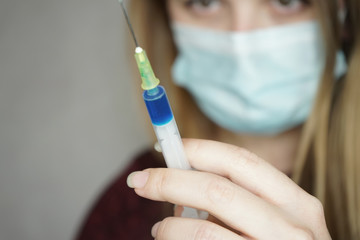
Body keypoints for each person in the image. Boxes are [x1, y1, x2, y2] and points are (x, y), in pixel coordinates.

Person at [76, 0, 360, 239]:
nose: (241, 38)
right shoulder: (125, 211)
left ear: (345, 16)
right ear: (165, 19)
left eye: (286, 0)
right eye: (205, 1)